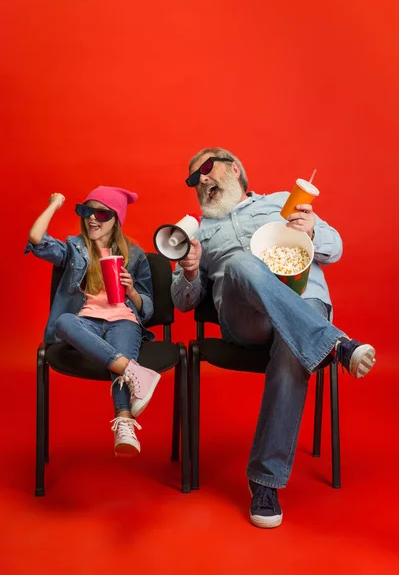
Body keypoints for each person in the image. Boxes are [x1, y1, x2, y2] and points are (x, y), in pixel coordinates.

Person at [171, 148, 376, 529]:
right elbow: (183, 302)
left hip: (304, 302)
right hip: (245, 322)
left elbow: (335, 248)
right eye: (193, 179)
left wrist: (313, 228)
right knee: (239, 262)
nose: (201, 181)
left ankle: (264, 482)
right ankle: (334, 344)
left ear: (234, 168)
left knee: (292, 351)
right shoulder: (195, 231)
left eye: (206, 170)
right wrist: (189, 268)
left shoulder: (283, 202)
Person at [26, 186, 161, 457]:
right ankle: (135, 371)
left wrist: (132, 290)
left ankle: (124, 423)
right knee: (63, 322)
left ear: (116, 218)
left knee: (118, 347)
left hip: (123, 320)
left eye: (102, 213)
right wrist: (54, 205)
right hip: (85, 323)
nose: (92, 219)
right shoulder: (74, 249)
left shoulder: (134, 256)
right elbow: (36, 239)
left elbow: (147, 310)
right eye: (87, 211)